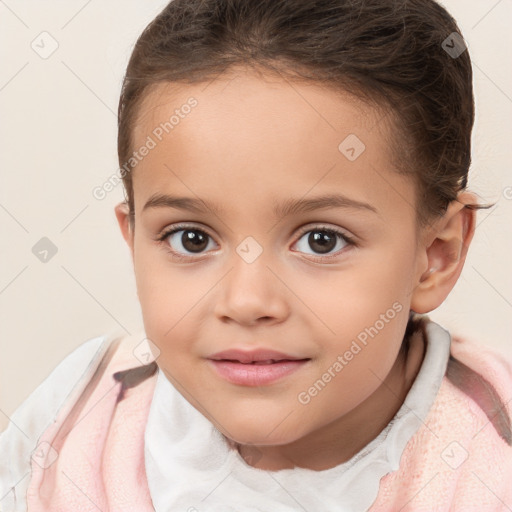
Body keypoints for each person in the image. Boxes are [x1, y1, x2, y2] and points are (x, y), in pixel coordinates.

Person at [2, 0, 512, 510]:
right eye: (192, 239)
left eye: (321, 240)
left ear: (436, 255)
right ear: (133, 239)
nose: (247, 302)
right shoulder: (75, 418)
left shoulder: (489, 465)